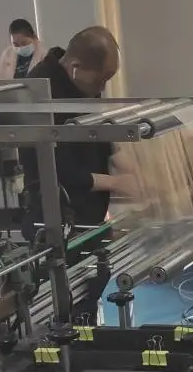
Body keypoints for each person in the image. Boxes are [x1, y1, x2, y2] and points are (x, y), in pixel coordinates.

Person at [22, 26, 126, 235]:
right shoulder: (38, 92)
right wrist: (119, 182)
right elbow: (61, 171)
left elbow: (99, 133)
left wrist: (132, 168)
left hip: (91, 219)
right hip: (58, 224)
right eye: (101, 80)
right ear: (75, 68)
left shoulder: (83, 83)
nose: (102, 88)